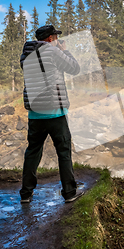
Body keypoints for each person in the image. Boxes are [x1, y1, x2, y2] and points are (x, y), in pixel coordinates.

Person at [19, 25, 83, 204]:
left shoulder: (25, 55)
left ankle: (26, 194)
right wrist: (65, 50)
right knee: (63, 152)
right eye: (55, 36)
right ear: (49, 38)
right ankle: (70, 192)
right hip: (55, 111)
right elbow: (74, 68)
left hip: (35, 113)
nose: (57, 39)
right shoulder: (53, 52)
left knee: (32, 152)